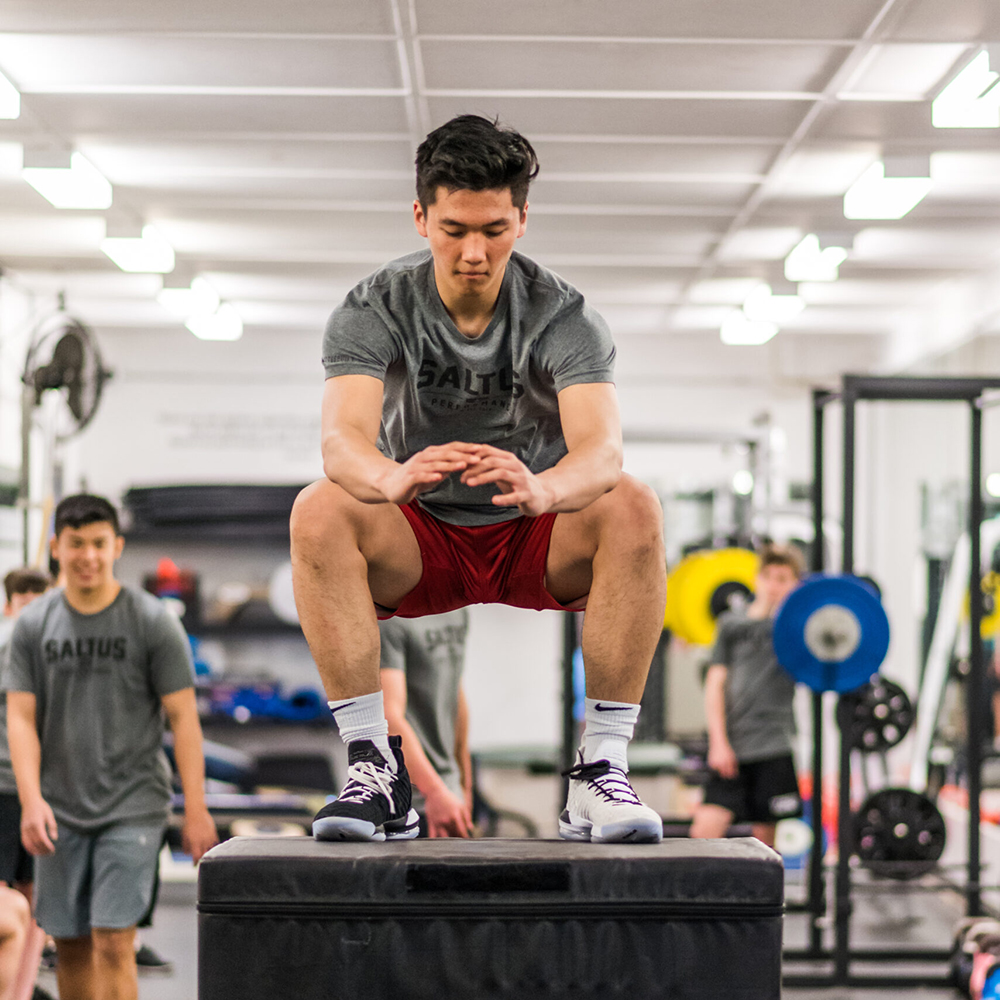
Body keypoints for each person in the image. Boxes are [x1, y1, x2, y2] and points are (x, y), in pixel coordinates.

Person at [291, 114, 667, 845]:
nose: (473, 251)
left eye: (493, 229)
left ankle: (600, 770)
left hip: (532, 528)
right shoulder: (375, 308)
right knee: (318, 509)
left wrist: (546, 488)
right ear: (421, 216)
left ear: (522, 219)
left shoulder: (564, 316)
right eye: (454, 228)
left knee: (633, 504)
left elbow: (602, 451)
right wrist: (389, 477)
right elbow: (341, 442)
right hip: (421, 532)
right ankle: (375, 767)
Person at [3, 494, 218, 1000]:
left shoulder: (153, 622)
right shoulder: (32, 627)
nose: (88, 556)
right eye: (76, 544)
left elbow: (184, 719)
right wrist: (31, 800)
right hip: (60, 811)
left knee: (114, 941)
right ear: (56, 547)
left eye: (99, 544)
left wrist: (197, 809)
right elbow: (19, 717)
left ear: (117, 546)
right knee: (71, 946)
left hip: (133, 808)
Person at [689, 544, 806, 848]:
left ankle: (762, 897)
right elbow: (714, 685)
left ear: (795, 584)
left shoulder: (796, 632)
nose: (773, 585)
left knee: (766, 845)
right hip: (732, 747)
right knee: (703, 833)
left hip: (773, 746)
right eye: (768, 576)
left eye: (783, 579)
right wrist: (718, 742)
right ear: (757, 579)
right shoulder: (731, 625)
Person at [0, 568, 51, 1000]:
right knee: (4, 907)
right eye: (24, 601)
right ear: (8, 606)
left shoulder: (56, 657)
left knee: (37, 900)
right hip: (1, 789)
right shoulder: (6, 649)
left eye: (42, 600)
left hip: (41, 792)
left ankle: (22, 988)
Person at [380, 610, 474, 838]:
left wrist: (465, 786)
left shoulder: (457, 609)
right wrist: (434, 792)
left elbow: (453, 695)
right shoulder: (388, 619)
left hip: (449, 795)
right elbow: (389, 717)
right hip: (409, 799)